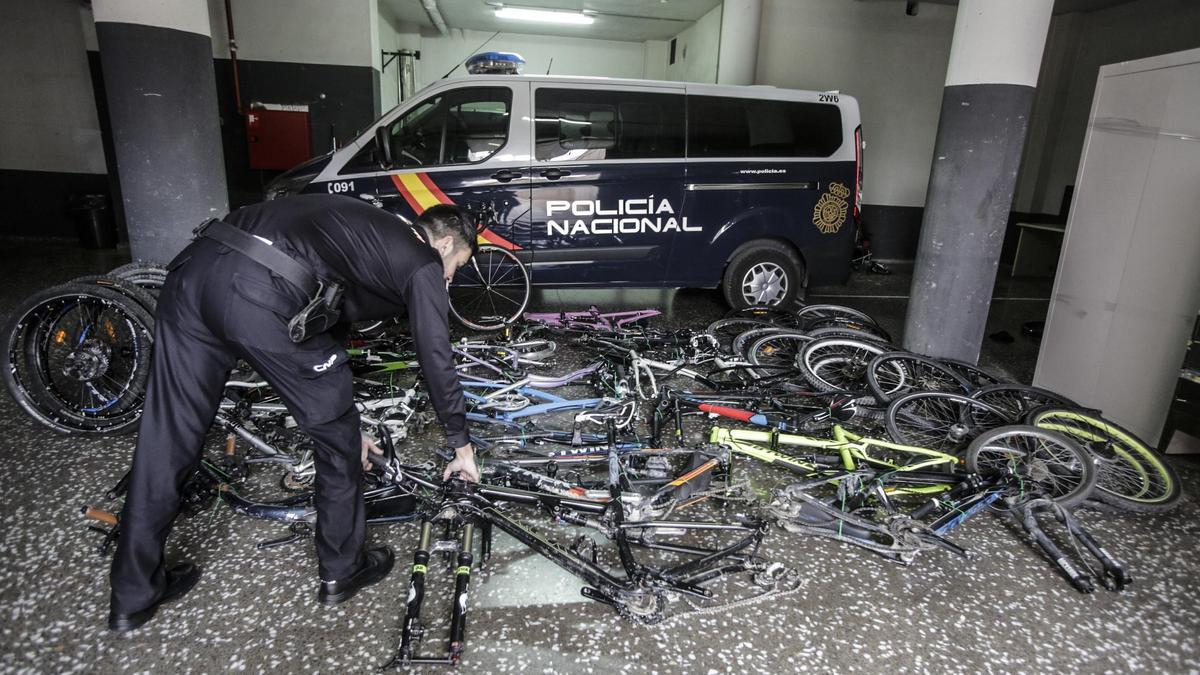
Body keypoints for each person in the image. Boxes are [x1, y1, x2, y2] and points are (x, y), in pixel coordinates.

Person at [108, 195, 480, 632]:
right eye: (459, 265)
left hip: (192, 274)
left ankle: (133, 594)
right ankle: (342, 568)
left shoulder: (368, 230)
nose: (452, 278)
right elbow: (435, 354)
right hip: (258, 289)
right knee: (335, 435)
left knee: (167, 434)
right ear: (445, 245)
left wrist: (347, 422)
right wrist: (461, 443)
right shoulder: (422, 261)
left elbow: (326, 317)